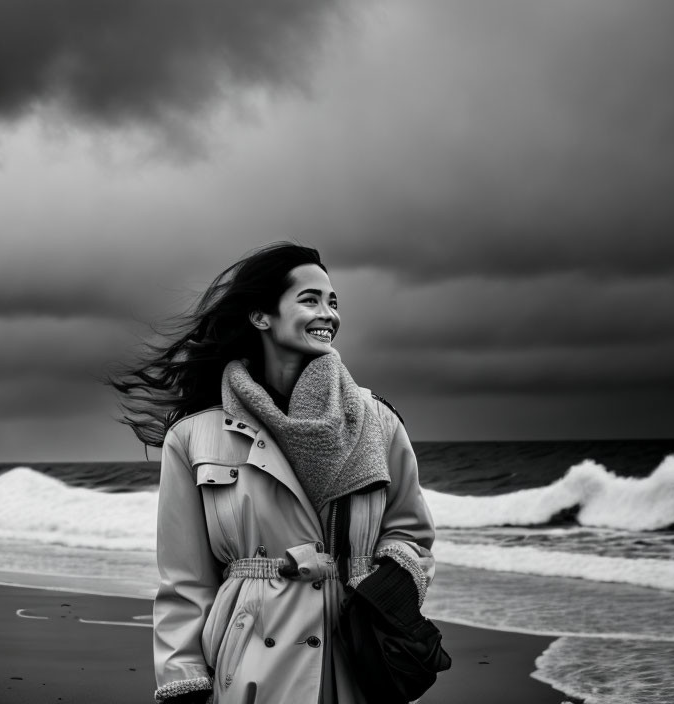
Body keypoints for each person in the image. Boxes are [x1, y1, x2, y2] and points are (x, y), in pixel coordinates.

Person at [111, 243, 436, 703]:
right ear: (261, 316)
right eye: (310, 300)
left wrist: (384, 591)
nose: (328, 314)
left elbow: (411, 534)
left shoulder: (376, 420)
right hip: (251, 664)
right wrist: (182, 681)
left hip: (359, 658)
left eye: (333, 301)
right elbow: (185, 584)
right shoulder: (194, 437)